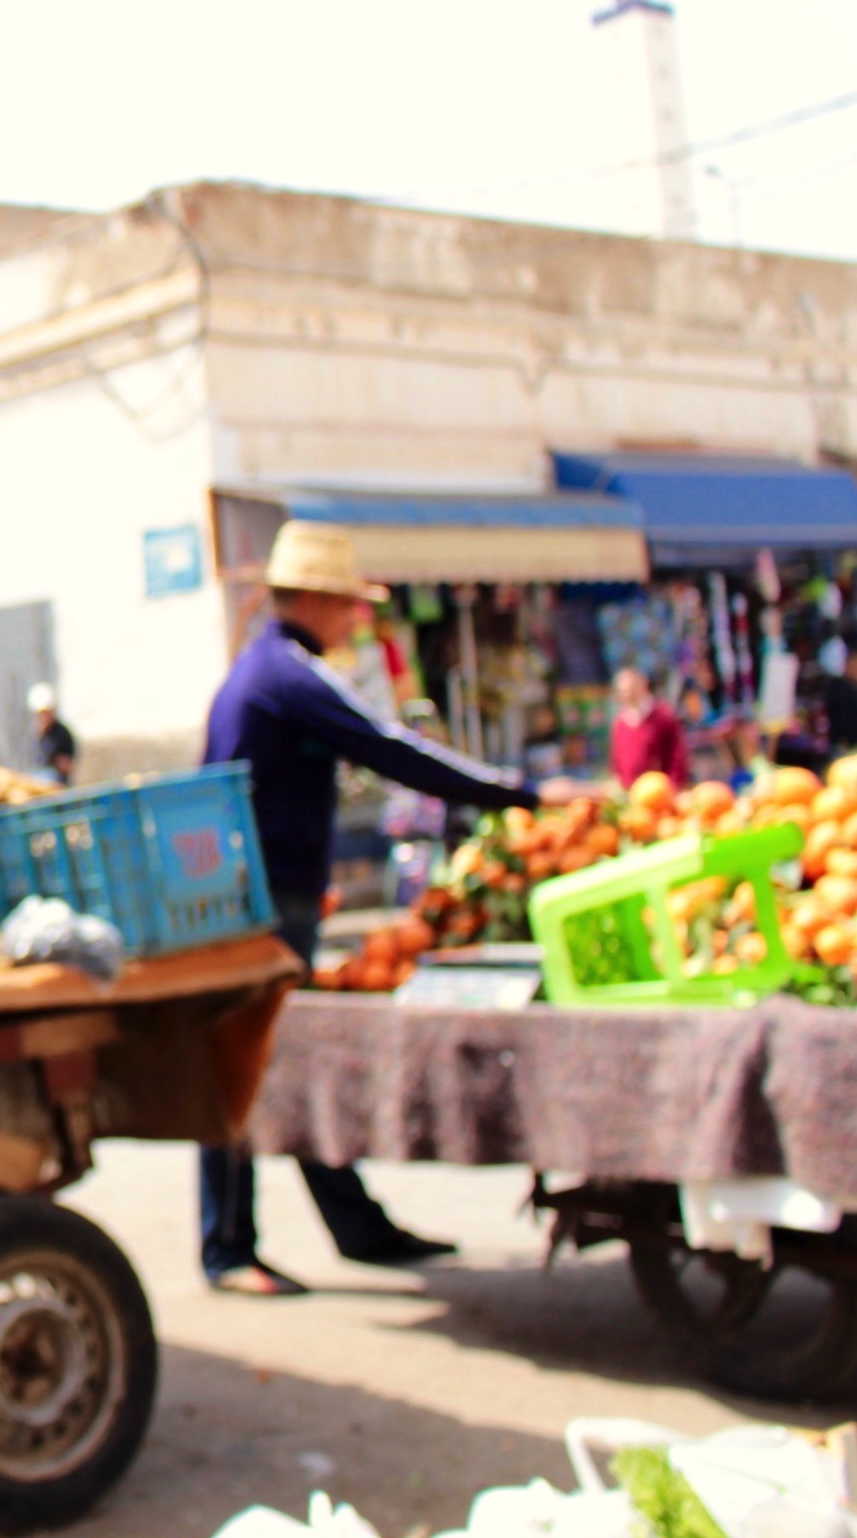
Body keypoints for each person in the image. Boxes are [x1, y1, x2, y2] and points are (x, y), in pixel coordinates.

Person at [201, 521, 586, 1296]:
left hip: (275, 890)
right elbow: (390, 749)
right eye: (347, 605)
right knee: (244, 1066)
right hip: (265, 899)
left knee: (284, 1059)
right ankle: (229, 1247)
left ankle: (353, 1227)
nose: (355, 621)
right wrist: (522, 794)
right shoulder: (287, 674)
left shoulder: (265, 668)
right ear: (312, 599)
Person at [608, 667, 687, 790]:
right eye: (623, 691)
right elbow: (616, 759)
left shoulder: (663, 715)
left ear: (643, 685)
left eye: (630, 689)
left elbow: (677, 755)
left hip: (659, 791)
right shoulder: (620, 722)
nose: (627, 694)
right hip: (630, 792)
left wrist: (673, 785)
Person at [28, 682, 77, 784]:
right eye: (40, 713)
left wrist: (55, 762)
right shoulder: (36, 735)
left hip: (55, 781)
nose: (43, 717)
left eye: (45, 712)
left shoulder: (62, 734)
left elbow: (67, 766)